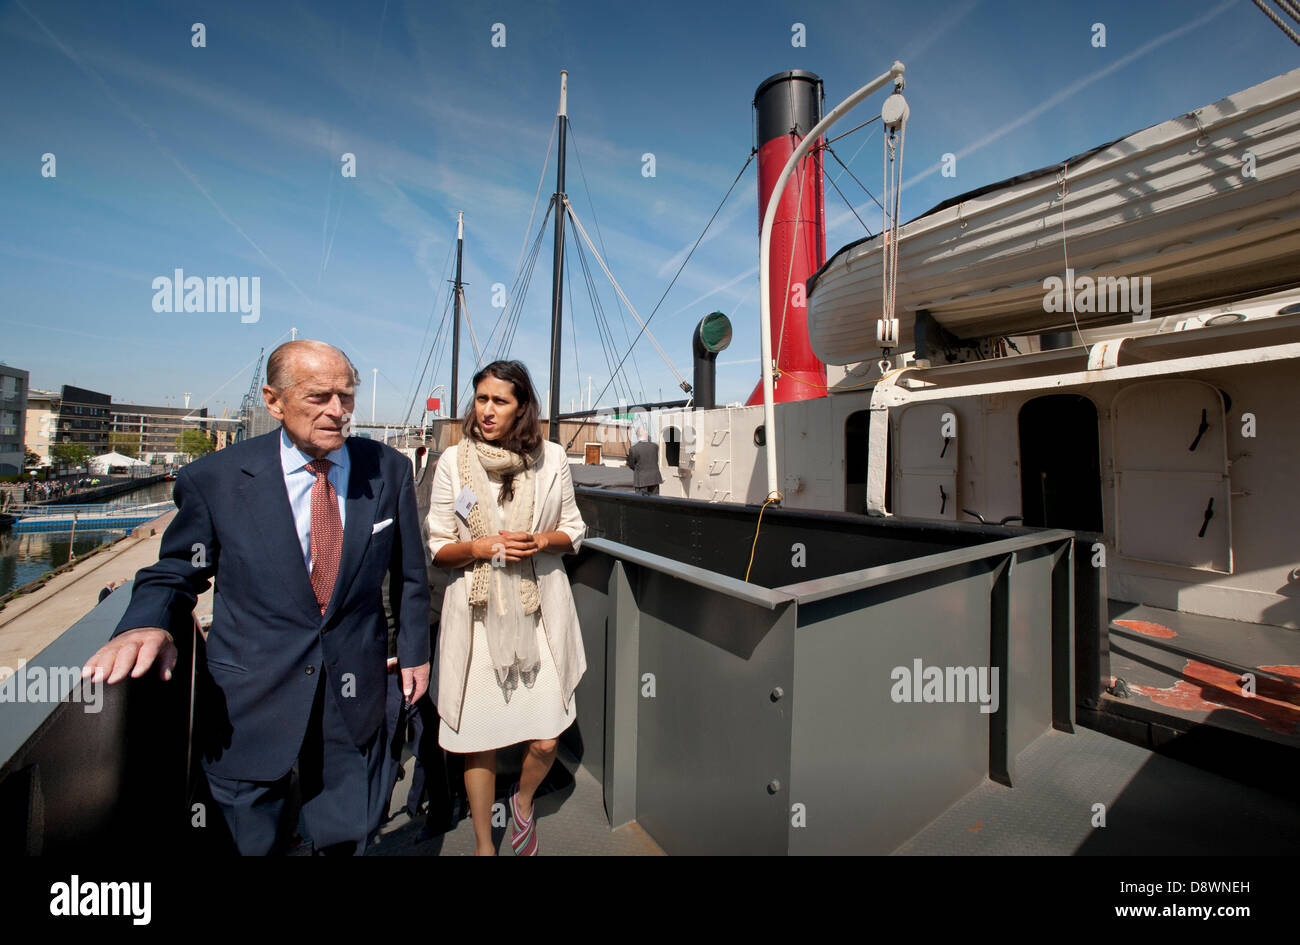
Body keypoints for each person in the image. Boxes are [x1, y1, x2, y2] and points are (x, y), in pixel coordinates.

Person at [81, 339, 430, 855]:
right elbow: (176, 568)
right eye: (319, 397)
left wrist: (416, 654)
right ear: (273, 401)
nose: (338, 411)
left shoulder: (389, 469)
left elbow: (409, 575)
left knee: (349, 837)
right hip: (249, 706)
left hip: (352, 700)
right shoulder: (216, 479)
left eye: (347, 396)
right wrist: (144, 624)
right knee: (246, 843)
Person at [425, 360, 586, 856]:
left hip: (537, 614)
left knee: (545, 739)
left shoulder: (552, 458)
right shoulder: (454, 462)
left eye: (500, 401)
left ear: (522, 408)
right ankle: (483, 845)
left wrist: (540, 540)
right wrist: (481, 547)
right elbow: (438, 545)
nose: (488, 410)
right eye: (481, 399)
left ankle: (521, 801)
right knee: (480, 738)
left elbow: (574, 530)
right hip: (476, 618)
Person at [626, 426, 663, 495]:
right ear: (646, 435)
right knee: (655, 501)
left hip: (641, 480)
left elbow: (631, 464)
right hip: (655, 479)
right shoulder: (655, 446)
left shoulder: (633, 449)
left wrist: (638, 468)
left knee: (641, 503)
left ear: (637, 436)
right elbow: (654, 460)